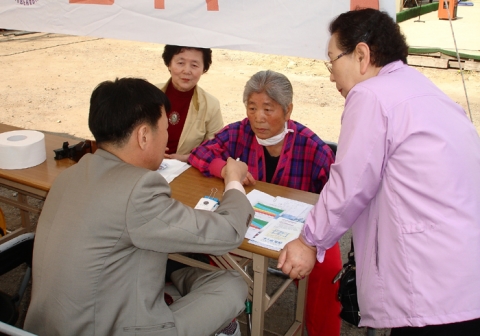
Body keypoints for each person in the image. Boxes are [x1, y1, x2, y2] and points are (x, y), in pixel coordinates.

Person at [277, 8, 480, 335]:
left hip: (429, 286)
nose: (331, 76)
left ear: (361, 55)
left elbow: (350, 185)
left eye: (332, 61)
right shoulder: (427, 92)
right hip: (466, 278)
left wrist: (308, 241)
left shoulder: (371, 95)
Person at [24, 78, 254, 336]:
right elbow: (228, 233)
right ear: (144, 136)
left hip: (47, 327)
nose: (167, 137)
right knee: (233, 284)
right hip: (111, 329)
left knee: (174, 266)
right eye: (165, 129)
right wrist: (233, 179)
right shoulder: (138, 190)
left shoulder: (71, 175)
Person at [189, 70, 343, 336]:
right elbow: (201, 153)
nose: (258, 118)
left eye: (268, 109)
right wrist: (224, 168)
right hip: (250, 222)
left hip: (300, 231)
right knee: (214, 242)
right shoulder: (239, 132)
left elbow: (338, 197)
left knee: (328, 267)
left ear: (287, 110)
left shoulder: (313, 148)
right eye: (252, 108)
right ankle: (225, 316)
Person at [157, 45, 224, 162]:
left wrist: (186, 158)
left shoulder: (211, 105)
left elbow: (216, 149)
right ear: (169, 64)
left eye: (194, 65)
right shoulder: (148, 94)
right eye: (180, 63)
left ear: (203, 69)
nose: (187, 71)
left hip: (185, 171)